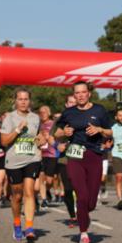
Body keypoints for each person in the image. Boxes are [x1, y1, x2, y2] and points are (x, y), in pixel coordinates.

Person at [54, 82, 112, 243]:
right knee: (81, 195)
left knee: (91, 202)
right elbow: (57, 133)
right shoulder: (69, 113)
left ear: (89, 94)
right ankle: (84, 233)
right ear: (74, 95)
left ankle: (86, 214)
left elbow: (110, 132)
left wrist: (100, 130)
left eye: (83, 92)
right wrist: (64, 133)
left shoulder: (99, 110)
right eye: (77, 93)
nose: (80, 95)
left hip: (94, 155)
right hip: (75, 155)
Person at [1, 89, 45, 242]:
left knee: (29, 192)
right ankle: (17, 223)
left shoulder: (35, 118)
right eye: (20, 99)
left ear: (30, 101)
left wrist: (42, 140)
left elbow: (39, 135)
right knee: (17, 196)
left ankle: (30, 227)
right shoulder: (9, 118)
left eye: (26, 99)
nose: (23, 102)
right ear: (15, 101)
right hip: (13, 161)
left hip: (32, 159)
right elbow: (4, 141)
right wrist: (18, 130)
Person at [54, 95, 78, 228]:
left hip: (81, 158)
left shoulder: (86, 116)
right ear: (66, 104)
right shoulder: (61, 119)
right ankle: (72, 216)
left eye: (75, 102)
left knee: (80, 188)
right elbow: (52, 136)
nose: (73, 104)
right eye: (70, 102)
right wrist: (57, 146)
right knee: (68, 189)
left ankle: (81, 212)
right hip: (64, 158)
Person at [37, 105, 58, 210]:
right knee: (41, 177)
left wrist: (49, 138)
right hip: (40, 155)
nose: (42, 114)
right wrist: (39, 140)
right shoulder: (38, 125)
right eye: (40, 112)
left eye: (44, 112)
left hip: (52, 154)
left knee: (50, 180)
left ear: (49, 113)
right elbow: (35, 140)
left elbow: (58, 136)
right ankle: (44, 199)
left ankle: (47, 190)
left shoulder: (53, 124)